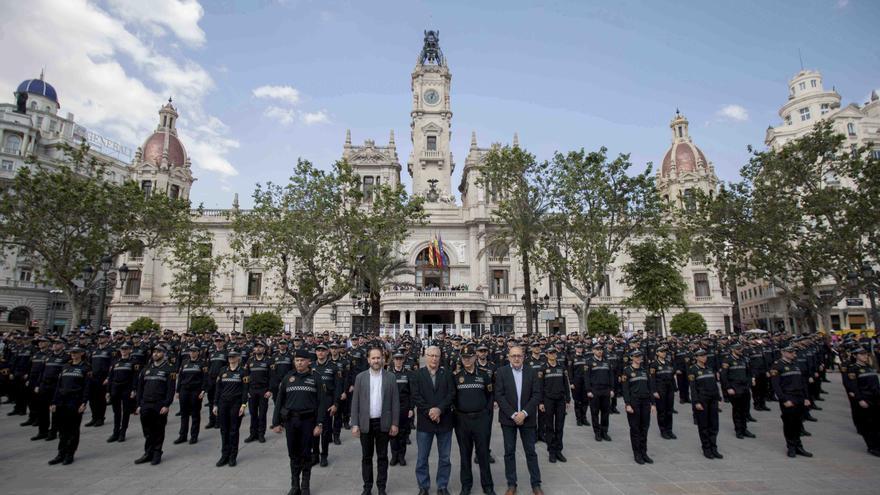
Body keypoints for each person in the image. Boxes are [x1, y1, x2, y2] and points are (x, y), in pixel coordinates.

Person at [272, 348, 326, 495]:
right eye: (297, 360)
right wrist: (276, 422)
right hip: (291, 421)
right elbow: (279, 401)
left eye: (302, 360)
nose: (299, 363)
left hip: (308, 421)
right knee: (293, 454)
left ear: (309, 362)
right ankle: (294, 485)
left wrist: (319, 423)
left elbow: (322, 402)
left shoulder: (316, 377)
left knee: (306, 454)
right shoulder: (288, 377)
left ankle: (305, 485)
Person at [350, 346, 400, 495]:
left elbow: (395, 402)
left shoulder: (390, 377)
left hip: (383, 423)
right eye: (373, 358)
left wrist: (395, 423)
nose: (376, 360)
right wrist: (355, 424)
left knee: (383, 457)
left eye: (379, 358)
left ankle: (381, 487)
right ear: (368, 360)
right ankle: (367, 487)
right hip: (366, 423)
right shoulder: (361, 377)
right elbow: (355, 402)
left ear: (383, 359)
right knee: (366, 457)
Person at [495, 345, 544, 495]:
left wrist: (523, 413)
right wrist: (513, 415)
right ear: (509, 357)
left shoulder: (531, 372)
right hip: (508, 419)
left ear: (523, 357)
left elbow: (536, 394)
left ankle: (536, 484)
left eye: (519, 356)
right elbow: (499, 395)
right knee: (509, 452)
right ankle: (511, 484)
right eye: (513, 356)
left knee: (531, 452)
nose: (516, 358)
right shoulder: (502, 372)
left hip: (527, 419)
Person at [452, 343, 495, 495]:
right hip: (462, 421)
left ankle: (488, 485)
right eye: (464, 358)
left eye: (470, 357)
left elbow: (490, 397)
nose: (467, 360)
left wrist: (486, 415)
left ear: (475, 357)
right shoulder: (456, 377)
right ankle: (466, 485)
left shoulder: (484, 375)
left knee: (483, 454)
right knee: (465, 454)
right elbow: (453, 398)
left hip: (480, 420)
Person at [412, 345, 455, 495]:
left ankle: (442, 485)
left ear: (440, 357)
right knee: (422, 458)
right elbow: (416, 396)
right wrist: (430, 411)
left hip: (444, 422)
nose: (434, 359)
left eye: (437, 356)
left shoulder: (447, 374)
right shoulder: (417, 375)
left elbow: (451, 394)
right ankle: (423, 486)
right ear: (425, 356)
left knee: (445, 458)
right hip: (425, 422)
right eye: (431, 355)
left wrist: (439, 410)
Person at [135, 344, 176, 466]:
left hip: (159, 404)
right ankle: (148, 452)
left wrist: (167, 404)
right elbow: (140, 388)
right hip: (146, 403)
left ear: (163, 353)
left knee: (158, 429)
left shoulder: (169, 369)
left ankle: (157, 452)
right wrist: (139, 404)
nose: (155, 354)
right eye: (154, 352)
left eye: (158, 352)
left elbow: (171, 389)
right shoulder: (146, 368)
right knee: (147, 429)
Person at [48, 346, 90, 465]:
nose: (73, 354)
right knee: (62, 429)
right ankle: (60, 453)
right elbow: (59, 386)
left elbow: (87, 387)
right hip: (62, 401)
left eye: (76, 352)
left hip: (75, 401)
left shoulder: (85, 368)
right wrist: (53, 402)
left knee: (73, 430)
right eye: (72, 352)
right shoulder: (65, 367)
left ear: (81, 353)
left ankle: (70, 454)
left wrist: (84, 402)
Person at [771, 345, 813, 458]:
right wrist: (783, 399)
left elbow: (802, 382)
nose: (793, 354)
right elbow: (776, 385)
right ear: (783, 352)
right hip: (788, 397)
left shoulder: (796, 364)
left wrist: (806, 397)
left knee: (798, 423)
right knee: (789, 423)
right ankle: (791, 447)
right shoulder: (777, 366)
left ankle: (799, 446)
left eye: (793, 352)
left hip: (799, 397)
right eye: (790, 352)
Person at [213, 349, 249, 467]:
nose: (231, 359)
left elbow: (245, 390)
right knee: (224, 430)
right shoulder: (222, 371)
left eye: (233, 357)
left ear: (238, 358)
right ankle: (224, 455)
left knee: (233, 430)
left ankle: (233, 456)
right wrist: (215, 404)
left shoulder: (243, 372)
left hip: (236, 403)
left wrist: (243, 405)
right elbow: (218, 389)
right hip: (223, 403)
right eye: (229, 357)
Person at [842, 347, 880, 456]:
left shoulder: (869, 367)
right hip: (865, 399)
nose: (865, 356)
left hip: (876, 399)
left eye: (866, 354)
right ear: (855, 356)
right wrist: (860, 399)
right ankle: (872, 447)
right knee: (868, 425)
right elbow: (853, 387)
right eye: (861, 354)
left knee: (877, 424)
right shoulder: (853, 369)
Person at [621, 350, 655, 464]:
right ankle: (637, 453)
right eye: (636, 356)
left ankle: (644, 452)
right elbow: (625, 389)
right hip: (634, 403)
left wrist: (653, 403)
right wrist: (627, 404)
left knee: (644, 428)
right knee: (635, 428)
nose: (639, 358)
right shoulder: (626, 371)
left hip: (645, 402)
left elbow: (650, 387)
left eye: (640, 356)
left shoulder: (644, 371)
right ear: (631, 358)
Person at [689, 349, 723, 460]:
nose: (704, 357)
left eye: (705, 355)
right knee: (704, 425)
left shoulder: (709, 368)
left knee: (714, 425)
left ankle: (714, 447)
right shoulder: (693, 370)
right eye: (701, 356)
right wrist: (696, 402)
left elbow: (714, 384)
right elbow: (693, 388)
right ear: (696, 357)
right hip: (702, 400)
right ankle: (706, 448)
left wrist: (718, 397)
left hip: (712, 399)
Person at [539, 346, 570, 463]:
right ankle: (551, 451)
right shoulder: (543, 369)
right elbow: (540, 387)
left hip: (560, 400)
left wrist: (568, 399)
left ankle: (558, 450)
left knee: (559, 426)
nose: (552, 355)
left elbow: (566, 384)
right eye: (550, 353)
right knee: (549, 426)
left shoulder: (561, 367)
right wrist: (541, 402)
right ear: (546, 355)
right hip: (548, 400)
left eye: (554, 353)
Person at [720, 343, 756, 439]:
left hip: (744, 388)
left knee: (745, 409)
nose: (740, 350)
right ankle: (738, 430)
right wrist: (728, 388)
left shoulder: (744, 359)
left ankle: (744, 429)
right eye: (738, 349)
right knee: (737, 410)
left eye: (741, 348)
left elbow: (748, 372)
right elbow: (724, 376)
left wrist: (749, 382)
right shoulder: (727, 360)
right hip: (734, 388)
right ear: (733, 349)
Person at [174, 345, 208, 445]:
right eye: (191, 351)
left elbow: (205, 378)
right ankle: (182, 435)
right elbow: (180, 377)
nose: (192, 353)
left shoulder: (202, 363)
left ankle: (194, 436)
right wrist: (177, 391)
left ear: (198, 352)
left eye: (194, 351)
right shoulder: (184, 362)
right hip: (184, 390)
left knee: (195, 414)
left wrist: (203, 390)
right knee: (184, 414)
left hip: (196, 391)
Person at [106, 342, 137, 443]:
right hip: (115, 388)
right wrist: (108, 391)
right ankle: (115, 432)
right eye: (122, 349)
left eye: (126, 348)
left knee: (126, 412)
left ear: (129, 350)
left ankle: (123, 432)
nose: (123, 350)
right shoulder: (115, 362)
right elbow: (110, 377)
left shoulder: (133, 362)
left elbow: (135, 377)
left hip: (127, 389)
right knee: (116, 412)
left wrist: (134, 389)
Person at [584, 343, 614, 442]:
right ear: (593, 351)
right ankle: (597, 432)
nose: (599, 351)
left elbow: (611, 377)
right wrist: (588, 390)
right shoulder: (589, 362)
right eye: (597, 349)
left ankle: (604, 431)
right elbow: (586, 378)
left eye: (601, 349)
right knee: (595, 413)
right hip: (595, 391)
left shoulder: (607, 362)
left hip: (605, 390)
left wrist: (612, 389)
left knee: (605, 413)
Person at [389, 349, 413, 467]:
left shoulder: (408, 373)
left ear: (403, 360)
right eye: (396, 359)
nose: (398, 361)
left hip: (404, 405)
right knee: (393, 432)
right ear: (393, 360)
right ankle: (394, 456)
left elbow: (412, 392)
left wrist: (411, 408)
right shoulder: (388, 374)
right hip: (392, 406)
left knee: (403, 433)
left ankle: (401, 456)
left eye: (400, 359)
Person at [244, 341, 271, 444]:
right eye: (256, 347)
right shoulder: (249, 361)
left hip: (263, 390)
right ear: (254, 349)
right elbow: (246, 377)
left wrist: (270, 390)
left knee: (262, 414)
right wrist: (246, 391)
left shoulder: (268, 360)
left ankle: (261, 434)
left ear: (264, 349)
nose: (258, 349)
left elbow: (272, 377)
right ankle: (253, 434)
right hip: (252, 390)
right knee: (253, 413)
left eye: (260, 347)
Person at [650, 346, 677, 439]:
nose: (664, 353)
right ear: (657, 353)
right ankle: (663, 430)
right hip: (660, 389)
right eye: (661, 352)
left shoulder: (669, 363)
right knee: (662, 411)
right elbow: (652, 379)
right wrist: (654, 391)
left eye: (664, 352)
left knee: (669, 411)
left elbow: (672, 376)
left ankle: (669, 430)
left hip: (669, 389)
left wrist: (674, 388)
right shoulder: (654, 365)